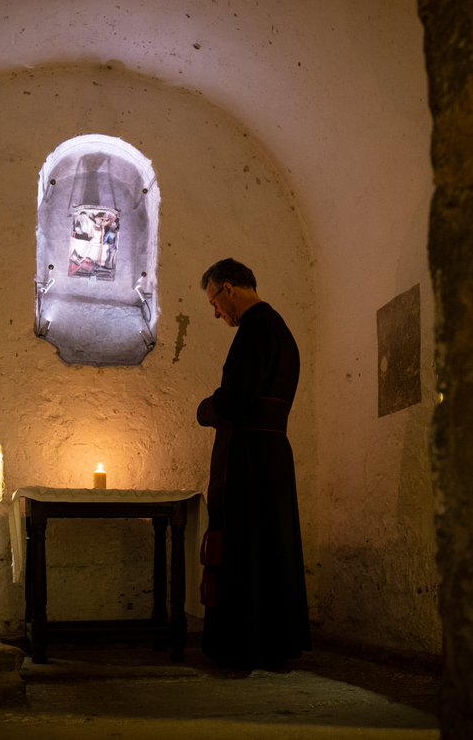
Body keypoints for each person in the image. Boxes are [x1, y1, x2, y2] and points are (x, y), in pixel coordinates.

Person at [196, 258, 311, 668]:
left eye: (214, 301)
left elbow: (234, 399)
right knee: (270, 548)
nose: (215, 312)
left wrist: (205, 409)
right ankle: (276, 643)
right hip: (273, 453)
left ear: (229, 289)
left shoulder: (254, 330)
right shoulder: (279, 328)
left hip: (247, 458)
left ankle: (241, 646)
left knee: (245, 548)